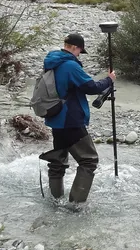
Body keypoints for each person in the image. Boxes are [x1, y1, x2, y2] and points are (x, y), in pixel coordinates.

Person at [38, 33, 115, 206]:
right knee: (89, 160)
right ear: (74, 47)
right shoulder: (69, 65)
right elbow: (91, 87)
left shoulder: (52, 62)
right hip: (70, 119)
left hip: (55, 119)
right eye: (80, 50)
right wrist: (109, 80)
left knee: (58, 160)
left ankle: (55, 201)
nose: (79, 54)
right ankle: (76, 205)